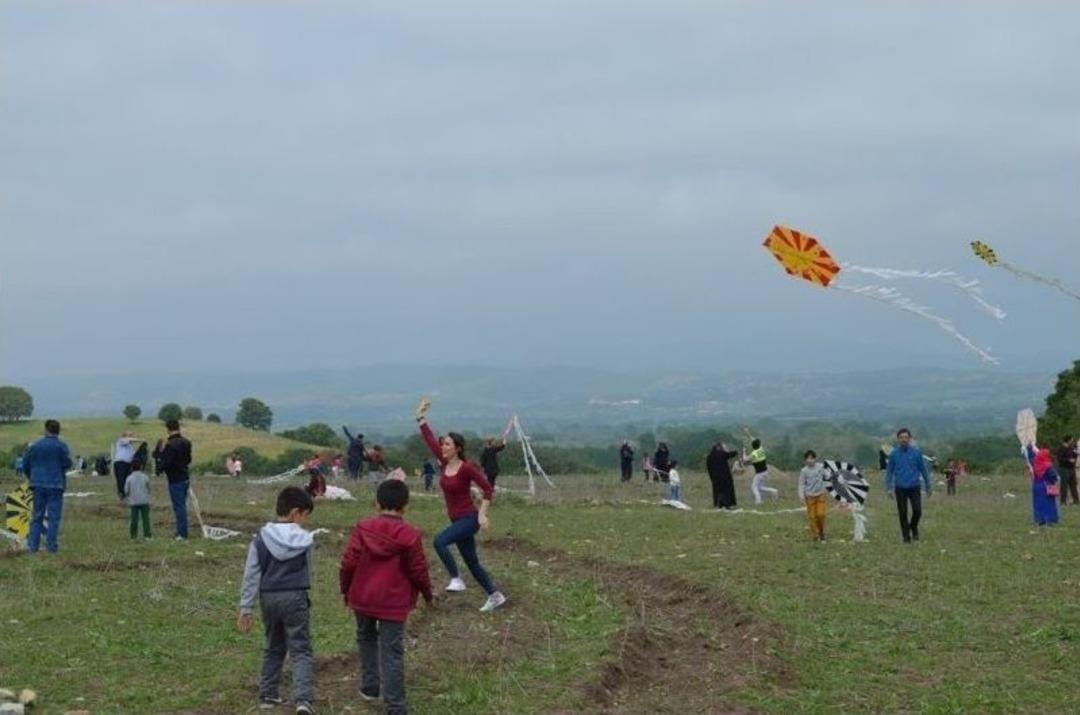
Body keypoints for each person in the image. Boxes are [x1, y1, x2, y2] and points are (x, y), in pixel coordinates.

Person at [340, 479, 432, 715]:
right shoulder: (410, 534)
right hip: (394, 601)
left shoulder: (362, 528)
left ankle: (370, 687)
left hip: (363, 596)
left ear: (377, 504)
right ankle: (395, 706)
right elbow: (418, 569)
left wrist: (345, 589)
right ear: (405, 506)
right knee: (392, 651)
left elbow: (349, 562)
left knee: (366, 639)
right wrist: (427, 593)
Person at [416, 397, 507, 613]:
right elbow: (429, 439)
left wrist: (482, 515)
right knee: (473, 563)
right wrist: (420, 417)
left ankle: (456, 578)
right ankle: (495, 595)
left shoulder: (466, 468)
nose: (443, 446)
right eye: (443, 444)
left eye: (447, 444)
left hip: (469, 518)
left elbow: (488, 489)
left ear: (457, 448)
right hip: (457, 519)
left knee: (439, 542)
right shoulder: (444, 461)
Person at [237, 486, 316, 714]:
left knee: (273, 646)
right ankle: (303, 700)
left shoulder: (260, 537)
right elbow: (311, 570)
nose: (305, 522)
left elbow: (252, 573)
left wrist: (246, 607)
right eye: (305, 515)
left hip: (268, 598)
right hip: (295, 596)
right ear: (295, 512)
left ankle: (268, 694)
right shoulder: (305, 539)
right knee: (300, 649)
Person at [23, 420, 72, 554]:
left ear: (46, 430)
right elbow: (67, 463)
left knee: (37, 516)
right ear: (58, 431)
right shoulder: (62, 446)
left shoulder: (35, 445)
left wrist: (32, 476)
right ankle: (51, 547)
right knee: (53, 518)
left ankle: (33, 547)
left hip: (37, 484)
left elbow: (25, 464)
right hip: (55, 484)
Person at [885, 428, 932, 543]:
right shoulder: (894, 454)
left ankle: (913, 526)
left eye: (906, 437)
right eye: (901, 438)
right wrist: (889, 488)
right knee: (903, 513)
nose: (904, 440)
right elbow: (889, 472)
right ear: (898, 439)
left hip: (914, 486)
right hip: (900, 487)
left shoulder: (916, 453)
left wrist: (928, 485)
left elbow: (923, 470)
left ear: (910, 439)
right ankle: (906, 537)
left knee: (917, 511)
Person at [153, 419, 192, 540]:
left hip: (175, 479)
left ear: (168, 429)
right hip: (185, 476)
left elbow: (167, 463)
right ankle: (181, 531)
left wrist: (159, 456)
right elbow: (188, 460)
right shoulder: (186, 442)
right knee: (181, 505)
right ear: (178, 427)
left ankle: (182, 533)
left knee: (179, 507)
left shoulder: (170, 445)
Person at [1025, 445, 1060, 527]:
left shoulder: (1035, 464)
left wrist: (1029, 448)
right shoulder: (1048, 465)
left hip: (1036, 486)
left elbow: (1031, 458)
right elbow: (1053, 476)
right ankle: (1049, 520)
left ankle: (1040, 520)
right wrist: (1054, 481)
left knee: (1038, 504)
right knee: (1049, 504)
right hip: (1046, 486)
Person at [798, 450, 828, 541]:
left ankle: (821, 531)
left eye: (811, 458)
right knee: (812, 517)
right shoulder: (804, 471)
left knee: (820, 514)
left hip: (820, 495)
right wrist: (801, 496)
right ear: (805, 460)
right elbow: (801, 484)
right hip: (809, 497)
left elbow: (828, 476)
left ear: (815, 459)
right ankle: (816, 535)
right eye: (807, 458)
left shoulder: (821, 467)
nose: (810, 460)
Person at [124, 458, 152, 540]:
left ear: (131, 467)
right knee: (146, 519)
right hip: (144, 500)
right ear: (141, 467)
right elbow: (149, 488)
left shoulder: (129, 478)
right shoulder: (145, 477)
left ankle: (133, 536)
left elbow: (126, 490)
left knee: (134, 519)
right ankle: (147, 535)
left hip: (134, 501)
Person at [706, 442, 739, 509]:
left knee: (718, 492)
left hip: (715, 478)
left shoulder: (709, 457)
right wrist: (736, 451)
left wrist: (712, 478)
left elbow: (709, 469)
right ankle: (727, 504)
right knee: (726, 491)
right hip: (725, 477)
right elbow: (730, 454)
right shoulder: (721, 454)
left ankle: (719, 504)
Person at [746, 438, 778, 504]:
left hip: (759, 473)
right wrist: (748, 434)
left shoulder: (753, 454)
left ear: (753, 446)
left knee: (754, 487)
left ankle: (758, 501)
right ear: (759, 445)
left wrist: (743, 451)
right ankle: (774, 491)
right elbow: (754, 441)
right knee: (760, 487)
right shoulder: (761, 449)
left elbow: (745, 459)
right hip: (765, 471)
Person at [112, 431, 141, 500]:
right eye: (130, 435)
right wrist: (140, 440)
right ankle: (122, 493)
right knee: (121, 479)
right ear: (125, 436)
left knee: (127, 479)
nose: (131, 437)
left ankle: (126, 493)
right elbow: (127, 440)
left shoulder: (131, 447)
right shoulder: (121, 441)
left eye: (132, 435)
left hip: (128, 464)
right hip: (120, 463)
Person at [1055, 436, 1078, 506]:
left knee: (1073, 485)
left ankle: (1076, 501)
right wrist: (1068, 460)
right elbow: (1059, 459)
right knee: (1064, 486)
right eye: (1071, 440)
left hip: (1071, 469)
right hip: (1064, 469)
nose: (1072, 441)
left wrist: (1076, 453)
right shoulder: (1061, 448)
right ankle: (1063, 502)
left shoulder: (1071, 448)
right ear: (1067, 441)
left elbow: (1074, 456)